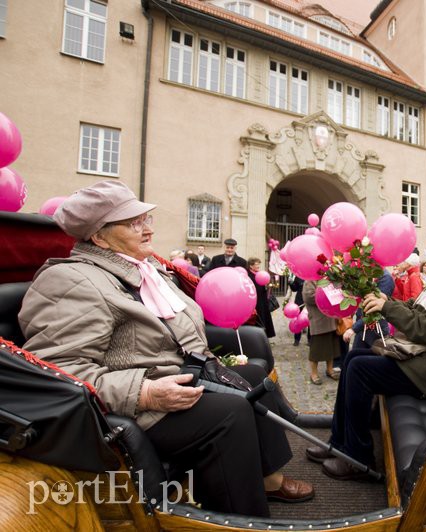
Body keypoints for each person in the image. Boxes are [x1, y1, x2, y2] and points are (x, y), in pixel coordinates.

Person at [17, 181, 313, 517]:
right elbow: (57, 372)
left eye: (145, 220)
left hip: (178, 373)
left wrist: (211, 362)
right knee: (231, 412)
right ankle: (239, 518)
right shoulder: (70, 281)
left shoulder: (145, 268)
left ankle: (268, 479)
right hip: (134, 405)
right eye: (134, 223)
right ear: (98, 237)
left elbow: (178, 327)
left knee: (253, 375)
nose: (148, 230)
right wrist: (144, 393)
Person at [306, 234, 426, 480]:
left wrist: (387, 308)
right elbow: (414, 309)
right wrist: (387, 300)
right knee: (354, 358)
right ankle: (338, 442)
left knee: (360, 368)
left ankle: (359, 460)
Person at [343, 268, 395, 350]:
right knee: (354, 358)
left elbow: (376, 309)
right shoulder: (368, 274)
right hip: (362, 328)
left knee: (366, 360)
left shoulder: (385, 278)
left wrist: (353, 329)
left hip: (376, 331)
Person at [302, 279, 341, 385]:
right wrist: (328, 294)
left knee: (331, 347)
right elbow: (309, 298)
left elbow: (338, 290)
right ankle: (314, 374)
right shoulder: (309, 281)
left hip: (331, 319)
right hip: (318, 321)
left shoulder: (328, 278)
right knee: (316, 350)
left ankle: (330, 370)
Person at [247, 257, 276, 339]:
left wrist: (268, 286)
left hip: (262, 300)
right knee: (258, 320)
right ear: (251, 266)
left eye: (259, 264)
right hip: (255, 302)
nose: (258, 266)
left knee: (264, 318)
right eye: (256, 265)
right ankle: (258, 337)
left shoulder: (259, 274)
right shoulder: (249, 276)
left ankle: (264, 336)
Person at [288, 274, 310, 346]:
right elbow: (295, 288)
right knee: (297, 320)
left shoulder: (312, 275)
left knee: (310, 320)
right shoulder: (299, 276)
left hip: (310, 300)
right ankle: (297, 339)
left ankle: (310, 340)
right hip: (299, 300)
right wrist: (291, 283)